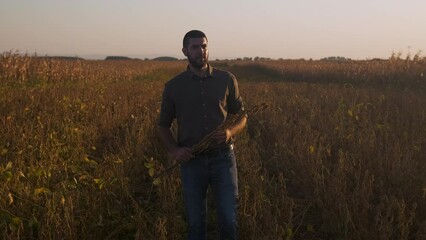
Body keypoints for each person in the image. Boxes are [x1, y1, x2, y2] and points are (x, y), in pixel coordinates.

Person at [157, 30, 247, 240]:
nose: (201, 51)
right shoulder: (173, 87)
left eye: (204, 46)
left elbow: (242, 116)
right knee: (196, 223)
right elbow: (162, 125)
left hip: (223, 158)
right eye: (195, 47)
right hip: (192, 162)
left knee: (228, 218)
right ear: (185, 51)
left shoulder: (226, 79)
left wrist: (229, 132)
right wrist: (175, 150)